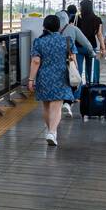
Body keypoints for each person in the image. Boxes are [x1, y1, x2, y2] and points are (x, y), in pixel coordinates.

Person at [28, 14, 76, 146]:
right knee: (56, 107)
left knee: (46, 107)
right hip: (61, 77)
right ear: (59, 27)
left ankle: (50, 130)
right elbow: (73, 60)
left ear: (44, 26)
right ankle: (52, 132)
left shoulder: (39, 41)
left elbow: (36, 61)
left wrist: (31, 79)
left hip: (44, 77)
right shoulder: (67, 40)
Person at [55, 7, 94, 115]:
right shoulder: (72, 28)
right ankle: (67, 102)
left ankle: (58, 104)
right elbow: (85, 42)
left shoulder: (51, 30)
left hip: (53, 62)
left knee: (58, 83)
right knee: (73, 80)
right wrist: (92, 52)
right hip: (69, 59)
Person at [76, 0, 105, 85]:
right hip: (92, 47)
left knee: (78, 69)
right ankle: (91, 86)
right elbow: (99, 34)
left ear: (82, 7)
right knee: (91, 69)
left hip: (79, 46)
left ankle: (79, 89)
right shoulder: (97, 19)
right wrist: (103, 48)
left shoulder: (77, 18)